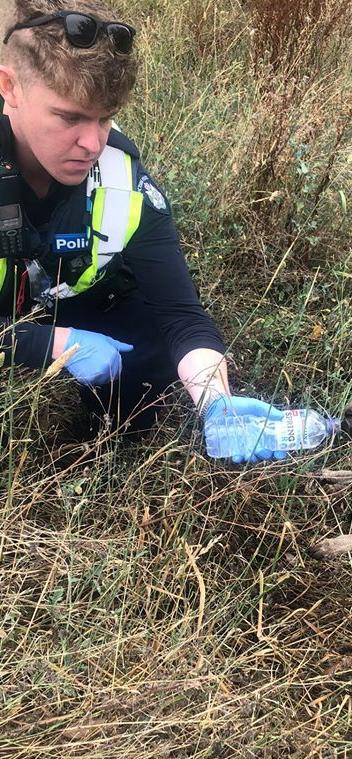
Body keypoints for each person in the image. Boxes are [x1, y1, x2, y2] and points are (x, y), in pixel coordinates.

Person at [0, 0, 285, 462]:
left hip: (69, 298)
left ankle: (102, 450)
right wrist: (43, 343)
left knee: (149, 336)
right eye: (69, 117)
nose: (92, 144)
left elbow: (180, 312)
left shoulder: (121, 180)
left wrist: (217, 401)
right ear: (9, 87)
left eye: (105, 117)